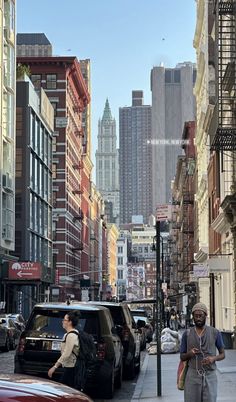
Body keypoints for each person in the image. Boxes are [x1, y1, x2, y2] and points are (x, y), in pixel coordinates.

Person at [180, 302, 225, 402]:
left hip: (210, 375)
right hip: (192, 376)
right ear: (193, 317)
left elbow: (223, 354)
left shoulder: (215, 332)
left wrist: (213, 358)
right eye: (196, 316)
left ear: (206, 316)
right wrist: (190, 353)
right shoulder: (187, 334)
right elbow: (182, 357)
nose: (198, 318)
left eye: (201, 316)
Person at [48, 310, 80, 387]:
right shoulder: (68, 334)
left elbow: (67, 353)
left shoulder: (71, 336)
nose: (62, 321)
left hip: (72, 367)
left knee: (63, 389)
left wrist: (55, 367)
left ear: (70, 322)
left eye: (64, 320)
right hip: (69, 366)